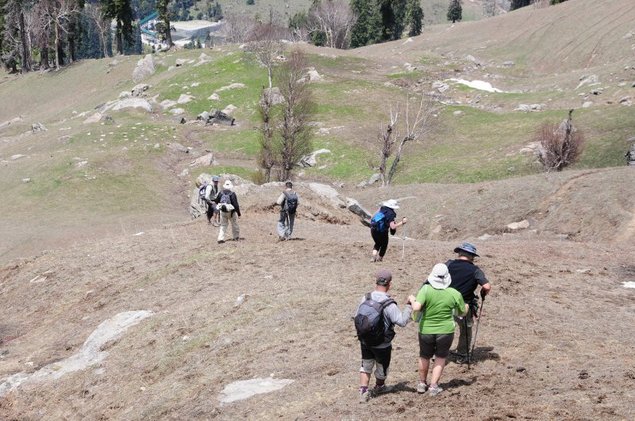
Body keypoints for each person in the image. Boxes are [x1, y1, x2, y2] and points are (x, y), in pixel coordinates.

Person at [408, 263, 467, 396]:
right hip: (446, 331)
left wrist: (412, 300)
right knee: (440, 357)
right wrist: (467, 307)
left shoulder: (426, 290)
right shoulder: (454, 293)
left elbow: (416, 307)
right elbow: (462, 312)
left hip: (426, 330)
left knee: (424, 356)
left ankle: (422, 383)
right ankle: (434, 386)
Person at [356, 269, 412, 402]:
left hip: (365, 341)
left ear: (376, 282)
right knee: (382, 366)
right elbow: (402, 322)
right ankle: (379, 386)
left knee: (366, 364)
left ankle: (363, 390)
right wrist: (409, 306)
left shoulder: (365, 297)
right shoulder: (389, 304)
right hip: (382, 343)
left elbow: (357, 316)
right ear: (389, 284)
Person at [446, 242, 491, 363]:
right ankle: (462, 355)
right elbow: (487, 286)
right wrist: (482, 293)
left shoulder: (448, 264)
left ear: (459, 253)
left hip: (445, 302)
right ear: (472, 256)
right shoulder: (475, 270)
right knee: (465, 330)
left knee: (443, 328)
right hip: (464, 305)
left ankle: (439, 352)